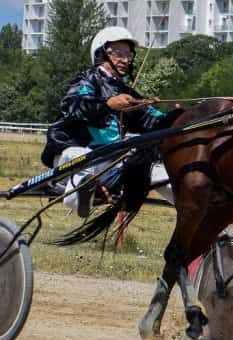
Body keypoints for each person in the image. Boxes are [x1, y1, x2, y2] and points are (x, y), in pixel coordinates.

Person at [41, 27, 172, 217]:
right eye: (118, 53)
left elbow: (154, 120)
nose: (125, 59)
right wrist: (108, 104)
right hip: (71, 153)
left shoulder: (129, 94)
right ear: (101, 54)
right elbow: (74, 106)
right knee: (81, 156)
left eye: (128, 54)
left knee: (159, 173)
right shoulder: (87, 80)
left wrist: (178, 117)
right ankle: (73, 192)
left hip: (109, 161)